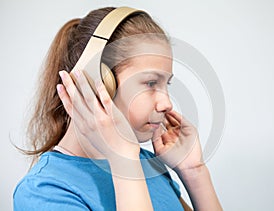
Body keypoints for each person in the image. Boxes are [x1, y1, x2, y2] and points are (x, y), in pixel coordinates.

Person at [13, 6, 222, 211]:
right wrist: (124, 163)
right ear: (97, 82)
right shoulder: (45, 190)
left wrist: (194, 171)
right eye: (151, 83)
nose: (167, 103)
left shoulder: (146, 164)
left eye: (166, 84)